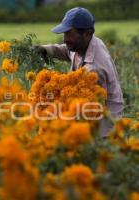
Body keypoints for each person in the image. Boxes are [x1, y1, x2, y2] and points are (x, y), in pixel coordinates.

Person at [34, 7, 124, 137]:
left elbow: (84, 106)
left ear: (87, 33)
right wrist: (45, 50)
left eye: (69, 34)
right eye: (65, 34)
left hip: (103, 129)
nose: (65, 39)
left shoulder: (94, 69)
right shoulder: (85, 43)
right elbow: (67, 50)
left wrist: (50, 88)